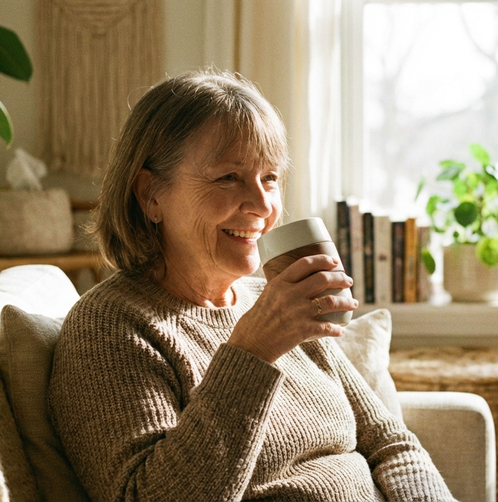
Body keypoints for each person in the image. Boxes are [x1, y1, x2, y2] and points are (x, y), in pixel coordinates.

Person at [48, 69, 455, 502]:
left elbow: (390, 444)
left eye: (271, 178)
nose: (262, 205)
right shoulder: (110, 327)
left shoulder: (272, 298)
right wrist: (251, 353)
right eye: (228, 177)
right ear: (151, 195)